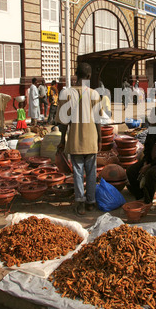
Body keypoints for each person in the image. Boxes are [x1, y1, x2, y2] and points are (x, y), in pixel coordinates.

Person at [56, 62, 102, 216]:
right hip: (91, 140)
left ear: (76, 74)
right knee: (91, 172)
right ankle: (91, 203)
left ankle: (80, 203)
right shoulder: (94, 94)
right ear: (89, 76)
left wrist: (62, 140)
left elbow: (62, 123)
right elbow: (98, 121)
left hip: (74, 141)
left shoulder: (66, 94)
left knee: (77, 172)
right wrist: (100, 139)